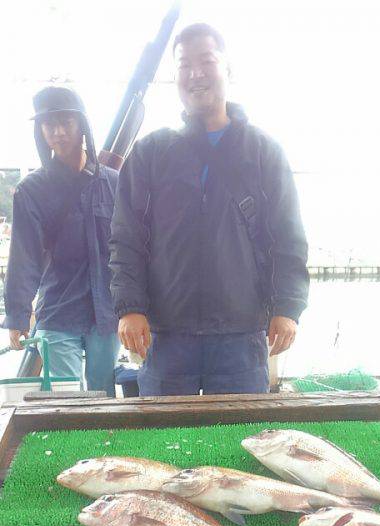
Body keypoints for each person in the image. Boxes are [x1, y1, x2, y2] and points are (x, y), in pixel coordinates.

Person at [110, 23, 309, 396]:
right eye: (184, 65)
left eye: (207, 60)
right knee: (161, 442)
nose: (196, 72)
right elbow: (126, 237)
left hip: (241, 336)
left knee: (237, 443)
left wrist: (288, 306)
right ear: (175, 77)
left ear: (228, 69)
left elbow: (289, 236)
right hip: (166, 337)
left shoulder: (264, 151)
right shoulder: (151, 152)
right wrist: (129, 307)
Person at [3, 86, 120, 396]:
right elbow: (24, 256)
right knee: (65, 397)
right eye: (48, 124)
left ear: (81, 125)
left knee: (104, 396)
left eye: (65, 122)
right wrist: (16, 315)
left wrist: (140, 307)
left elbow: (132, 249)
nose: (57, 132)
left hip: (106, 312)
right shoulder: (32, 190)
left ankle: (104, 447)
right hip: (58, 310)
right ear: (40, 131)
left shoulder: (113, 183)